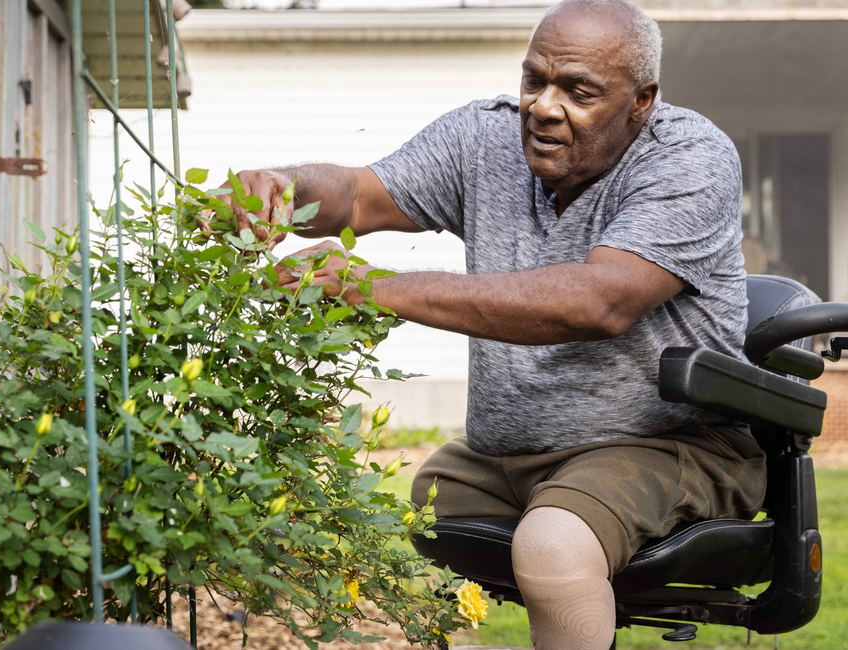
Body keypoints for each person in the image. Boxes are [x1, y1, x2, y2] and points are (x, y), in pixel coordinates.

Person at [203, 0, 766, 647]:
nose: (544, 107)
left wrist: (373, 288)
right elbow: (360, 195)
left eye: (578, 91)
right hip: (505, 458)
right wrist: (279, 186)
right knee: (386, 511)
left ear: (642, 101)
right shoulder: (485, 139)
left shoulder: (689, 158)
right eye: (535, 80)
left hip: (671, 445)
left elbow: (598, 302)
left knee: (554, 546)